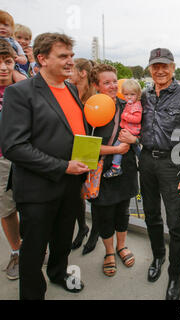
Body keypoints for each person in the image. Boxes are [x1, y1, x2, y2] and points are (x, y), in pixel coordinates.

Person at [0, 32, 89, 300]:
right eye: (63, 56)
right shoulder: (20, 92)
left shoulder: (71, 88)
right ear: (42, 58)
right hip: (38, 188)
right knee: (34, 248)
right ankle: (33, 293)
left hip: (72, 183)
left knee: (63, 238)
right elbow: (14, 147)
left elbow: (71, 131)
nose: (70, 61)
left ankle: (58, 273)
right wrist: (63, 166)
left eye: (71, 56)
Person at [119, 48, 180, 300]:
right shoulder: (143, 96)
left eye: (165, 66)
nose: (160, 70)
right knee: (151, 215)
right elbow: (137, 126)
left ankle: (175, 273)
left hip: (173, 165)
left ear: (173, 67)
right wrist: (135, 139)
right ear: (150, 69)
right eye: (155, 66)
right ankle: (158, 256)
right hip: (147, 162)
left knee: (176, 223)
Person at [89, 63, 138, 277]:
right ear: (96, 85)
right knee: (104, 213)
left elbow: (140, 130)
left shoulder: (126, 105)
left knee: (122, 210)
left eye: (113, 81)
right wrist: (115, 148)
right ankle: (109, 251)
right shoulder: (89, 108)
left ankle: (121, 245)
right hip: (101, 170)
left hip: (125, 168)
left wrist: (134, 139)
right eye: (105, 82)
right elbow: (83, 147)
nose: (111, 86)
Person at [69, 58, 100, 254]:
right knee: (75, 194)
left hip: (91, 148)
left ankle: (95, 232)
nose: (67, 72)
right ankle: (82, 227)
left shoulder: (94, 97)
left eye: (71, 69)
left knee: (93, 194)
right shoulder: (69, 93)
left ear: (82, 73)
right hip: (72, 149)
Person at [0, 39, 21, 281]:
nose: (3, 68)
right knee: (7, 208)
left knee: (31, 205)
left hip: (27, 157)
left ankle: (35, 247)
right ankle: (16, 251)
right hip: (2, 159)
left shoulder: (23, 89)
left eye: (7, 62)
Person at [103, 79, 142, 178]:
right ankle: (142, 161)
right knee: (135, 147)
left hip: (131, 130)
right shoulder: (129, 104)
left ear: (138, 95)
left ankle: (116, 166)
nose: (129, 97)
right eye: (126, 94)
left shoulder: (136, 106)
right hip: (129, 129)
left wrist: (125, 116)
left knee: (118, 144)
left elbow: (138, 119)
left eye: (132, 94)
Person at [0, 10, 27, 82]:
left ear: (12, 29)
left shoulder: (14, 43)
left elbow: (24, 59)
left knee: (21, 79)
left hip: (12, 68)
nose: (2, 27)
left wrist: (18, 58)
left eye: (6, 25)